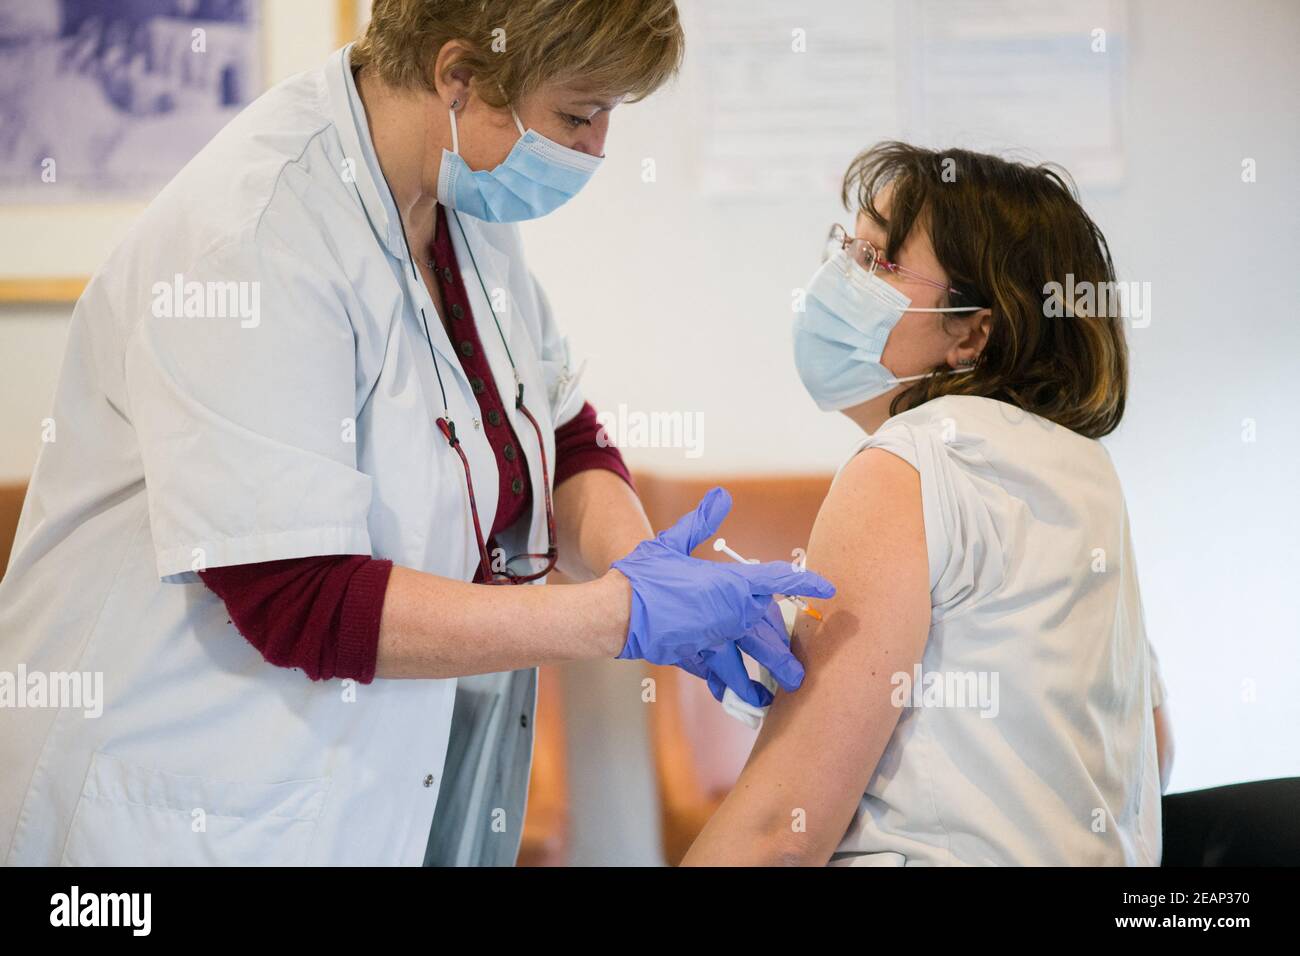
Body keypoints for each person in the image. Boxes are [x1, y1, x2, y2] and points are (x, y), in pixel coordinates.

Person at [0, 0, 831, 867]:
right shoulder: (251, 238)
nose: (597, 150)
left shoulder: (459, 204)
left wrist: (640, 561)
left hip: (375, 791)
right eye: (579, 115)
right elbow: (299, 598)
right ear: (461, 76)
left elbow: (560, 435)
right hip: (184, 799)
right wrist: (615, 617)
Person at [683, 142, 1171, 866]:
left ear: (971, 331)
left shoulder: (904, 466)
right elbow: (1155, 751)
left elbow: (775, 835)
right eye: (848, 246)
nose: (838, 275)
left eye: (878, 263)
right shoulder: (1087, 470)